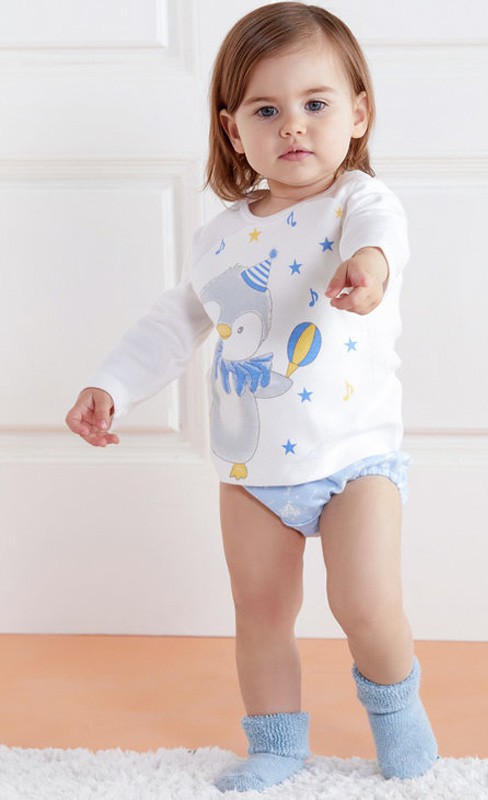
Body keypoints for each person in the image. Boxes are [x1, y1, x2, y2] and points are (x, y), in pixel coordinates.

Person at [65, 2, 438, 792]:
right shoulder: (221, 239)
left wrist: (368, 269)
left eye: (316, 103)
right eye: (267, 110)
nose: (293, 125)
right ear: (234, 131)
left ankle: (398, 710)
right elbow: (174, 322)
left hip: (355, 457)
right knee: (261, 614)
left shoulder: (359, 204)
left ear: (358, 113)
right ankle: (275, 743)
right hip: (253, 470)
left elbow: (384, 240)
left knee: (365, 604)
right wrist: (112, 384)